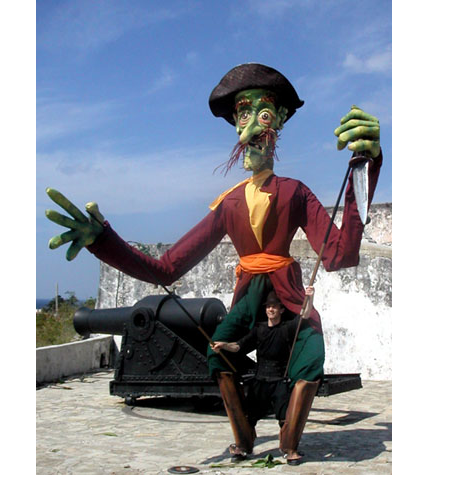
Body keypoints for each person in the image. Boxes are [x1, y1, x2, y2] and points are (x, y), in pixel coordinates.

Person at [45, 62, 382, 464]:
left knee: (310, 352)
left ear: (278, 123)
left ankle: (289, 440)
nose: (250, 128)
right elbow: (166, 268)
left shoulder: (295, 192)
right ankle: (244, 435)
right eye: (242, 115)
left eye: (262, 114)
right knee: (216, 354)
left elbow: (339, 254)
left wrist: (366, 164)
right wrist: (103, 241)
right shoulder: (229, 203)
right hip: (247, 299)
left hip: (287, 294)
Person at [212, 287, 314, 464]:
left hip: (280, 380)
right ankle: (244, 447)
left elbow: (304, 315)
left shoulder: (287, 328)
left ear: (281, 310)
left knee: (285, 418)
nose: (271, 309)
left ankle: (289, 450)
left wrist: (310, 297)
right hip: (260, 381)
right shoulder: (259, 329)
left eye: (274, 307)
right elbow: (239, 346)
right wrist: (223, 345)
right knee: (249, 418)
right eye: (268, 307)